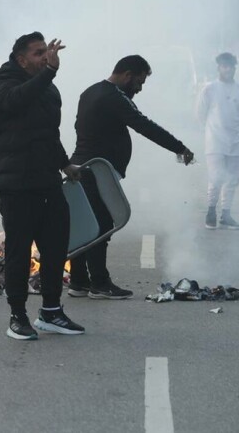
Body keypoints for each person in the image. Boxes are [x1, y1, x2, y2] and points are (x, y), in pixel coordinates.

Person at [68, 55, 193, 300]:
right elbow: (144, 125)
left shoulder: (91, 92)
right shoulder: (114, 97)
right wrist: (179, 147)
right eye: (139, 81)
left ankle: (79, 282)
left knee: (85, 226)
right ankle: (99, 284)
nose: (140, 87)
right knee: (100, 227)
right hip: (98, 171)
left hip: (83, 167)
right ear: (127, 75)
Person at [0, 32, 83, 340]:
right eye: (38, 53)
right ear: (21, 58)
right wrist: (50, 71)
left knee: (55, 249)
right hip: (16, 184)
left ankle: (51, 312)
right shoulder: (3, 83)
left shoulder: (48, 90)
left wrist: (64, 163)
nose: (45, 56)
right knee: (18, 252)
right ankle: (18, 316)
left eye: (47, 52)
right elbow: (16, 101)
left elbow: (48, 134)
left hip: (47, 182)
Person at [196, 52, 239, 230]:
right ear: (219, 68)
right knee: (216, 177)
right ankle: (211, 212)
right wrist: (213, 130)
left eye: (231, 66)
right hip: (214, 142)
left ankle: (226, 214)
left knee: (233, 178)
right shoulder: (209, 89)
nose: (228, 69)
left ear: (234, 68)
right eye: (224, 66)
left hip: (235, 141)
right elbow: (200, 114)